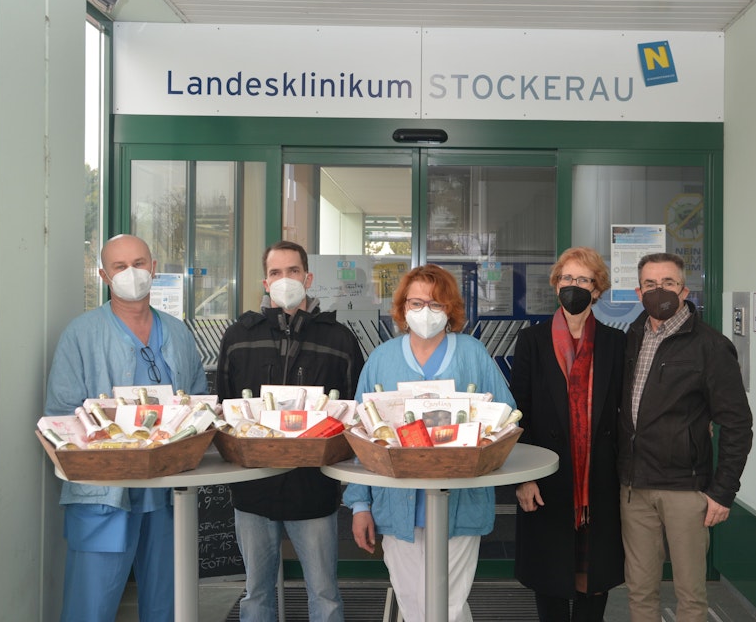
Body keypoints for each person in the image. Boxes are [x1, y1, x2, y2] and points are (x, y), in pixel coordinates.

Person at [45, 234, 208, 622]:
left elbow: (200, 404)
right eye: (119, 267)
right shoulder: (81, 335)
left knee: (169, 605)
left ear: (153, 269)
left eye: (138, 263)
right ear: (104, 275)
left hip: (168, 496)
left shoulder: (179, 333)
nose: (131, 274)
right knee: (91, 605)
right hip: (103, 496)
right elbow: (60, 419)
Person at [343, 264, 516, 622]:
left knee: (448, 606)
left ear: (450, 309)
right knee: (412, 604)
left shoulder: (472, 354)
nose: (425, 312)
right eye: (417, 303)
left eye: (436, 304)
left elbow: (505, 417)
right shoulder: (382, 360)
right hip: (395, 503)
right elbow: (360, 436)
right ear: (403, 308)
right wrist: (360, 504)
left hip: (460, 500)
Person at [215, 240, 364, 622]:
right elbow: (227, 410)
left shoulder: (340, 340)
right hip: (253, 489)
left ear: (308, 277)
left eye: (293, 271)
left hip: (313, 489)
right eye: (276, 273)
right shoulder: (238, 337)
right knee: (256, 594)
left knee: (325, 594)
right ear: (265, 282)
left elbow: (351, 414)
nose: (285, 280)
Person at [619, 252, 753, 622]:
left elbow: (738, 423)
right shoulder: (630, 338)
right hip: (634, 487)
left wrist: (723, 491)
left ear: (684, 289)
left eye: (668, 283)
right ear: (637, 291)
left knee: (691, 596)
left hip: (686, 489)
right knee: (639, 590)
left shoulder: (710, 346)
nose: (658, 290)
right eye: (650, 284)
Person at [511, 247, 626, 621]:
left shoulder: (616, 343)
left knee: (594, 583)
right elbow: (519, 414)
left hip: (600, 483)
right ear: (555, 284)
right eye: (566, 279)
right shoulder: (532, 341)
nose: (573, 286)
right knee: (551, 586)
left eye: (583, 280)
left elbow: (624, 415)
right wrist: (524, 478)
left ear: (597, 290)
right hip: (547, 479)